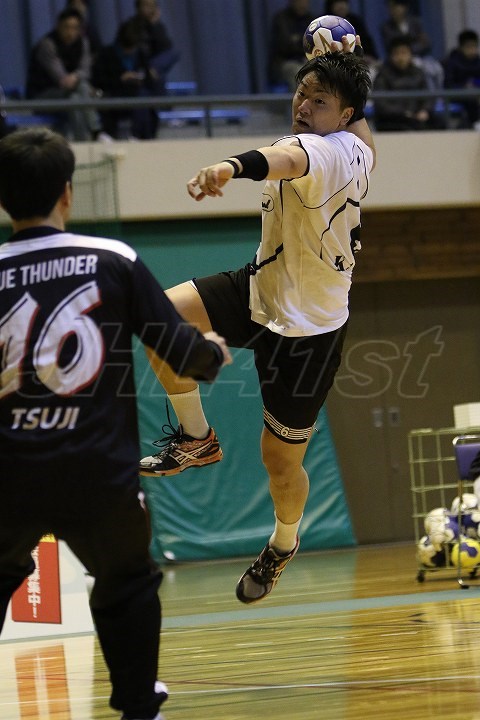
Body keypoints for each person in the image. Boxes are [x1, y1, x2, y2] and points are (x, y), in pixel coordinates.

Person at [0, 127, 230, 720]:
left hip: (7, 473)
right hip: (96, 472)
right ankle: (137, 707)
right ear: (67, 193)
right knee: (125, 582)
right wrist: (210, 353)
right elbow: (178, 350)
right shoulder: (112, 259)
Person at [139, 47, 376, 604]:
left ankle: (282, 544)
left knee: (280, 462)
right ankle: (196, 439)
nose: (303, 106)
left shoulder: (324, 152)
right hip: (261, 289)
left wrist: (227, 167)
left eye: (319, 101)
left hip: (310, 333)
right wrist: (347, 54)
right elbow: (356, 125)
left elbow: (284, 160)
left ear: (342, 116)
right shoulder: (360, 145)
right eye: (301, 94)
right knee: (160, 316)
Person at [25, 9, 109, 142]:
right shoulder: (47, 45)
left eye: (74, 28)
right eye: (66, 27)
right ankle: (96, 131)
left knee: (74, 98)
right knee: (80, 88)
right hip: (42, 95)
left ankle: (82, 141)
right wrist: (79, 79)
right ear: (58, 26)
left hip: (70, 94)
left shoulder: (83, 43)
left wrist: (76, 76)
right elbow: (62, 79)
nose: (70, 32)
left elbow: (86, 70)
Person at [92, 22, 159, 139]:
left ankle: (141, 136)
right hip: (114, 93)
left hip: (135, 94)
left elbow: (148, 79)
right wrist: (121, 79)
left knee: (144, 97)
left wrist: (141, 79)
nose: (130, 51)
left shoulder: (140, 54)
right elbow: (98, 80)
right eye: (127, 47)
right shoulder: (106, 54)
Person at [373, 36, 441, 131]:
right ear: (391, 56)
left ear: (410, 54)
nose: (401, 58)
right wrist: (404, 113)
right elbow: (381, 104)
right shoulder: (383, 75)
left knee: (439, 123)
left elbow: (428, 97)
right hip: (393, 120)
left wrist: (424, 110)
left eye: (404, 53)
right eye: (397, 53)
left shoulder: (418, 73)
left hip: (417, 116)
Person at [123, 0, 179, 96]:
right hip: (138, 67)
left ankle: (153, 70)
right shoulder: (130, 25)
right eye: (146, 5)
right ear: (138, 8)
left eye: (153, 6)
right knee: (156, 79)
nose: (150, 9)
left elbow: (166, 49)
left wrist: (154, 26)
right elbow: (132, 51)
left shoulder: (157, 26)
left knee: (173, 53)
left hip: (153, 68)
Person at [269, 0, 316, 91]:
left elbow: (315, 44)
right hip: (286, 62)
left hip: (308, 60)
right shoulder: (281, 19)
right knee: (299, 72)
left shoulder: (312, 20)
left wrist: (297, 40)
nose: (302, 4)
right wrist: (304, 44)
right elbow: (284, 46)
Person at [443, 29, 480, 129]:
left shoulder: (478, 62)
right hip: (458, 95)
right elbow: (448, 86)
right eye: (469, 47)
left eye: (474, 46)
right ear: (461, 48)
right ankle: (475, 124)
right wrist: (464, 87)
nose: (472, 50)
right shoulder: (451, 63)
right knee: (472, 100)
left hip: (476, 94)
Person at [324, 0, 379, 67]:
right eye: (337, 3)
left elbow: (366, 42)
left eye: (344, 2)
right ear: (331, 6)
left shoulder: (355, 21)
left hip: (358, 60)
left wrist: (369, 56)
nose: (341, 6)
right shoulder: (323, 23)